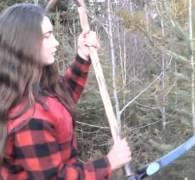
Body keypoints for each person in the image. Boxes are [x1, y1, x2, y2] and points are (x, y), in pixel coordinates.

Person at [0, 3, 132, 179]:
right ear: (25, 44)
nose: (56, 43)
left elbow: (61, 99)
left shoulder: (30, 85)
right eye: (47, 36)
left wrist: (82, 56)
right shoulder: (28, 120)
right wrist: (109, 162)